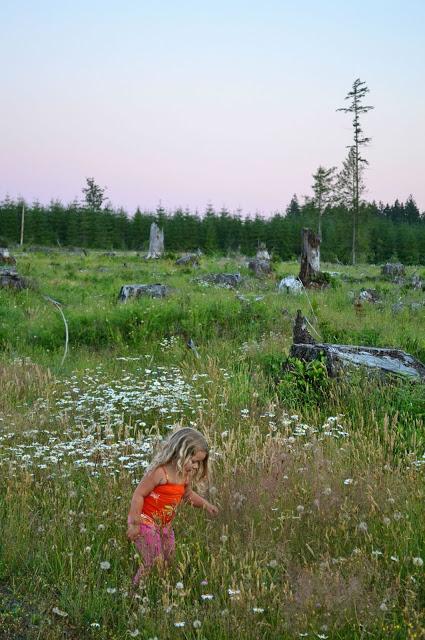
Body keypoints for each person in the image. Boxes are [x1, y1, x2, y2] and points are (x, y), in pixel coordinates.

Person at [127, 427, 218, 585]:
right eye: (194, 461)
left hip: (165, 526)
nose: (196, 467)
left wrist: (206, 505)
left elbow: (188, 495)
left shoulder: (185, 476)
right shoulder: (160, 473)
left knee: (169, 560)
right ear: (180, 453)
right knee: (153, 561)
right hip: (146, 522)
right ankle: (134, 593)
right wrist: (134, 524)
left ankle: (160, 589)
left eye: (200, 462)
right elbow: (138, 495)